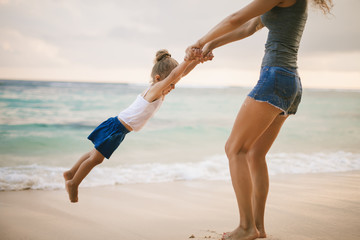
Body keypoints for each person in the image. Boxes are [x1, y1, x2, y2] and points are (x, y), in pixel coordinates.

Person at [185, 0, 333, 240]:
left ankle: (246, 227)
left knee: (234, 149)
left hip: (275, 78)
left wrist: (199, 42)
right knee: (254, 154)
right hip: (290, 81)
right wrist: (212, 44)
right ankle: (258, 228)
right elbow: (249, 27)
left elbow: (236, 18)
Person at [64, 49, 213, 203]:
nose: (173, 87)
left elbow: (180, 74)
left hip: (118, 127)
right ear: (158, 78)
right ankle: (73, 183)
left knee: (93, 154)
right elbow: (176, 75)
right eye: (171, 83)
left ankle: (70, 173)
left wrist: (197, 60)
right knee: (96, 159)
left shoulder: (158, 89)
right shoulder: (155, 90)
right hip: (116, 128)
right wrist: (188, 60)